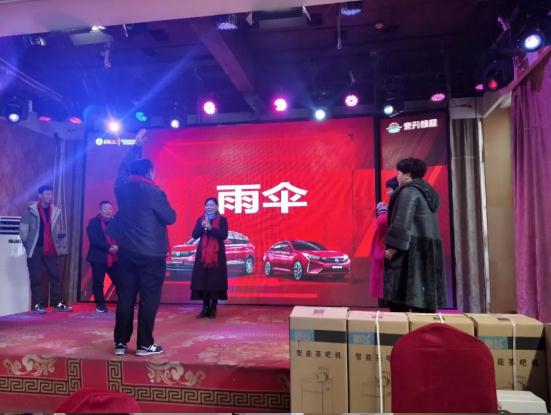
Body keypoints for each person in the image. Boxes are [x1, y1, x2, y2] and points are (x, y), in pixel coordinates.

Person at [109, 129, 176, 356]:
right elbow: (170, 217)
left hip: (127, 253)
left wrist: (135, 147)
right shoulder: (155, 192)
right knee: (148, 300)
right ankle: (144, 344)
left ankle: (120, 342)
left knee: (126, 298)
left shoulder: (122, 188)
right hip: (152, 255)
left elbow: (122, 170)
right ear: (149, 172)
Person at [384, 158, 447, 313]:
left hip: (410, 252)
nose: (397, 176)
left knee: (400, 300)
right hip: (427, 250)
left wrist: (393, 248)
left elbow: (402, 221)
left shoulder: (409, 192)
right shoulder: (427, 193)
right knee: (423, 302)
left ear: (408, 175)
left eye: (399, 172)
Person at [19, 185, 72, 313]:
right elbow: (23, 231)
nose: (50, 197)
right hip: (35, 248)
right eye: (47, 194)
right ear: (40, 195)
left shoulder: (55, 211)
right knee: (36, 277)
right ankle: (39, 304)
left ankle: (57, 303)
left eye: (51, 194)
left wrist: (58, 245)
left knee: (55, 276)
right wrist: (28, 246)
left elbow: (57, 230)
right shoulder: (30, 211)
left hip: (51, 248)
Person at [190, 197, 229, 319]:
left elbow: (224, 235)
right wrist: (202, 227)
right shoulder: (201, 219)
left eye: (212, 205)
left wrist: (211, 228)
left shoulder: (222, 219)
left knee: (214, 281)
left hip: (216, 255)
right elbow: (194, 235)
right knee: (203, 280)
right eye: (207, 205)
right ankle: (205, 307)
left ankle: (213, 308)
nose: (209, 207)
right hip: (202, 255)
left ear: (217, 206)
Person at [369, 177, 399, 305]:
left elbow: (383, 225)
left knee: (390, 293)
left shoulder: (398, 204)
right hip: (387, 249)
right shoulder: (396, 203)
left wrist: (382, 213)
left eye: (390, 189)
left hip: (388, 249)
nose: (388, 192)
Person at [86, 200, 120, 313]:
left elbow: (122, 236)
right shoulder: (93, 223)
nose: (108, 211)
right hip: (98, 257)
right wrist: (108, 247)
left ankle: (125, 302)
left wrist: (117, 246)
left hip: (114, 257)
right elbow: (94, 240)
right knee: (98, 282)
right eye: (105, 209)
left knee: (120, 280)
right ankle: (100, 305)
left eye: (110, 209)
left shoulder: (116, 223)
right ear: (100, 211)